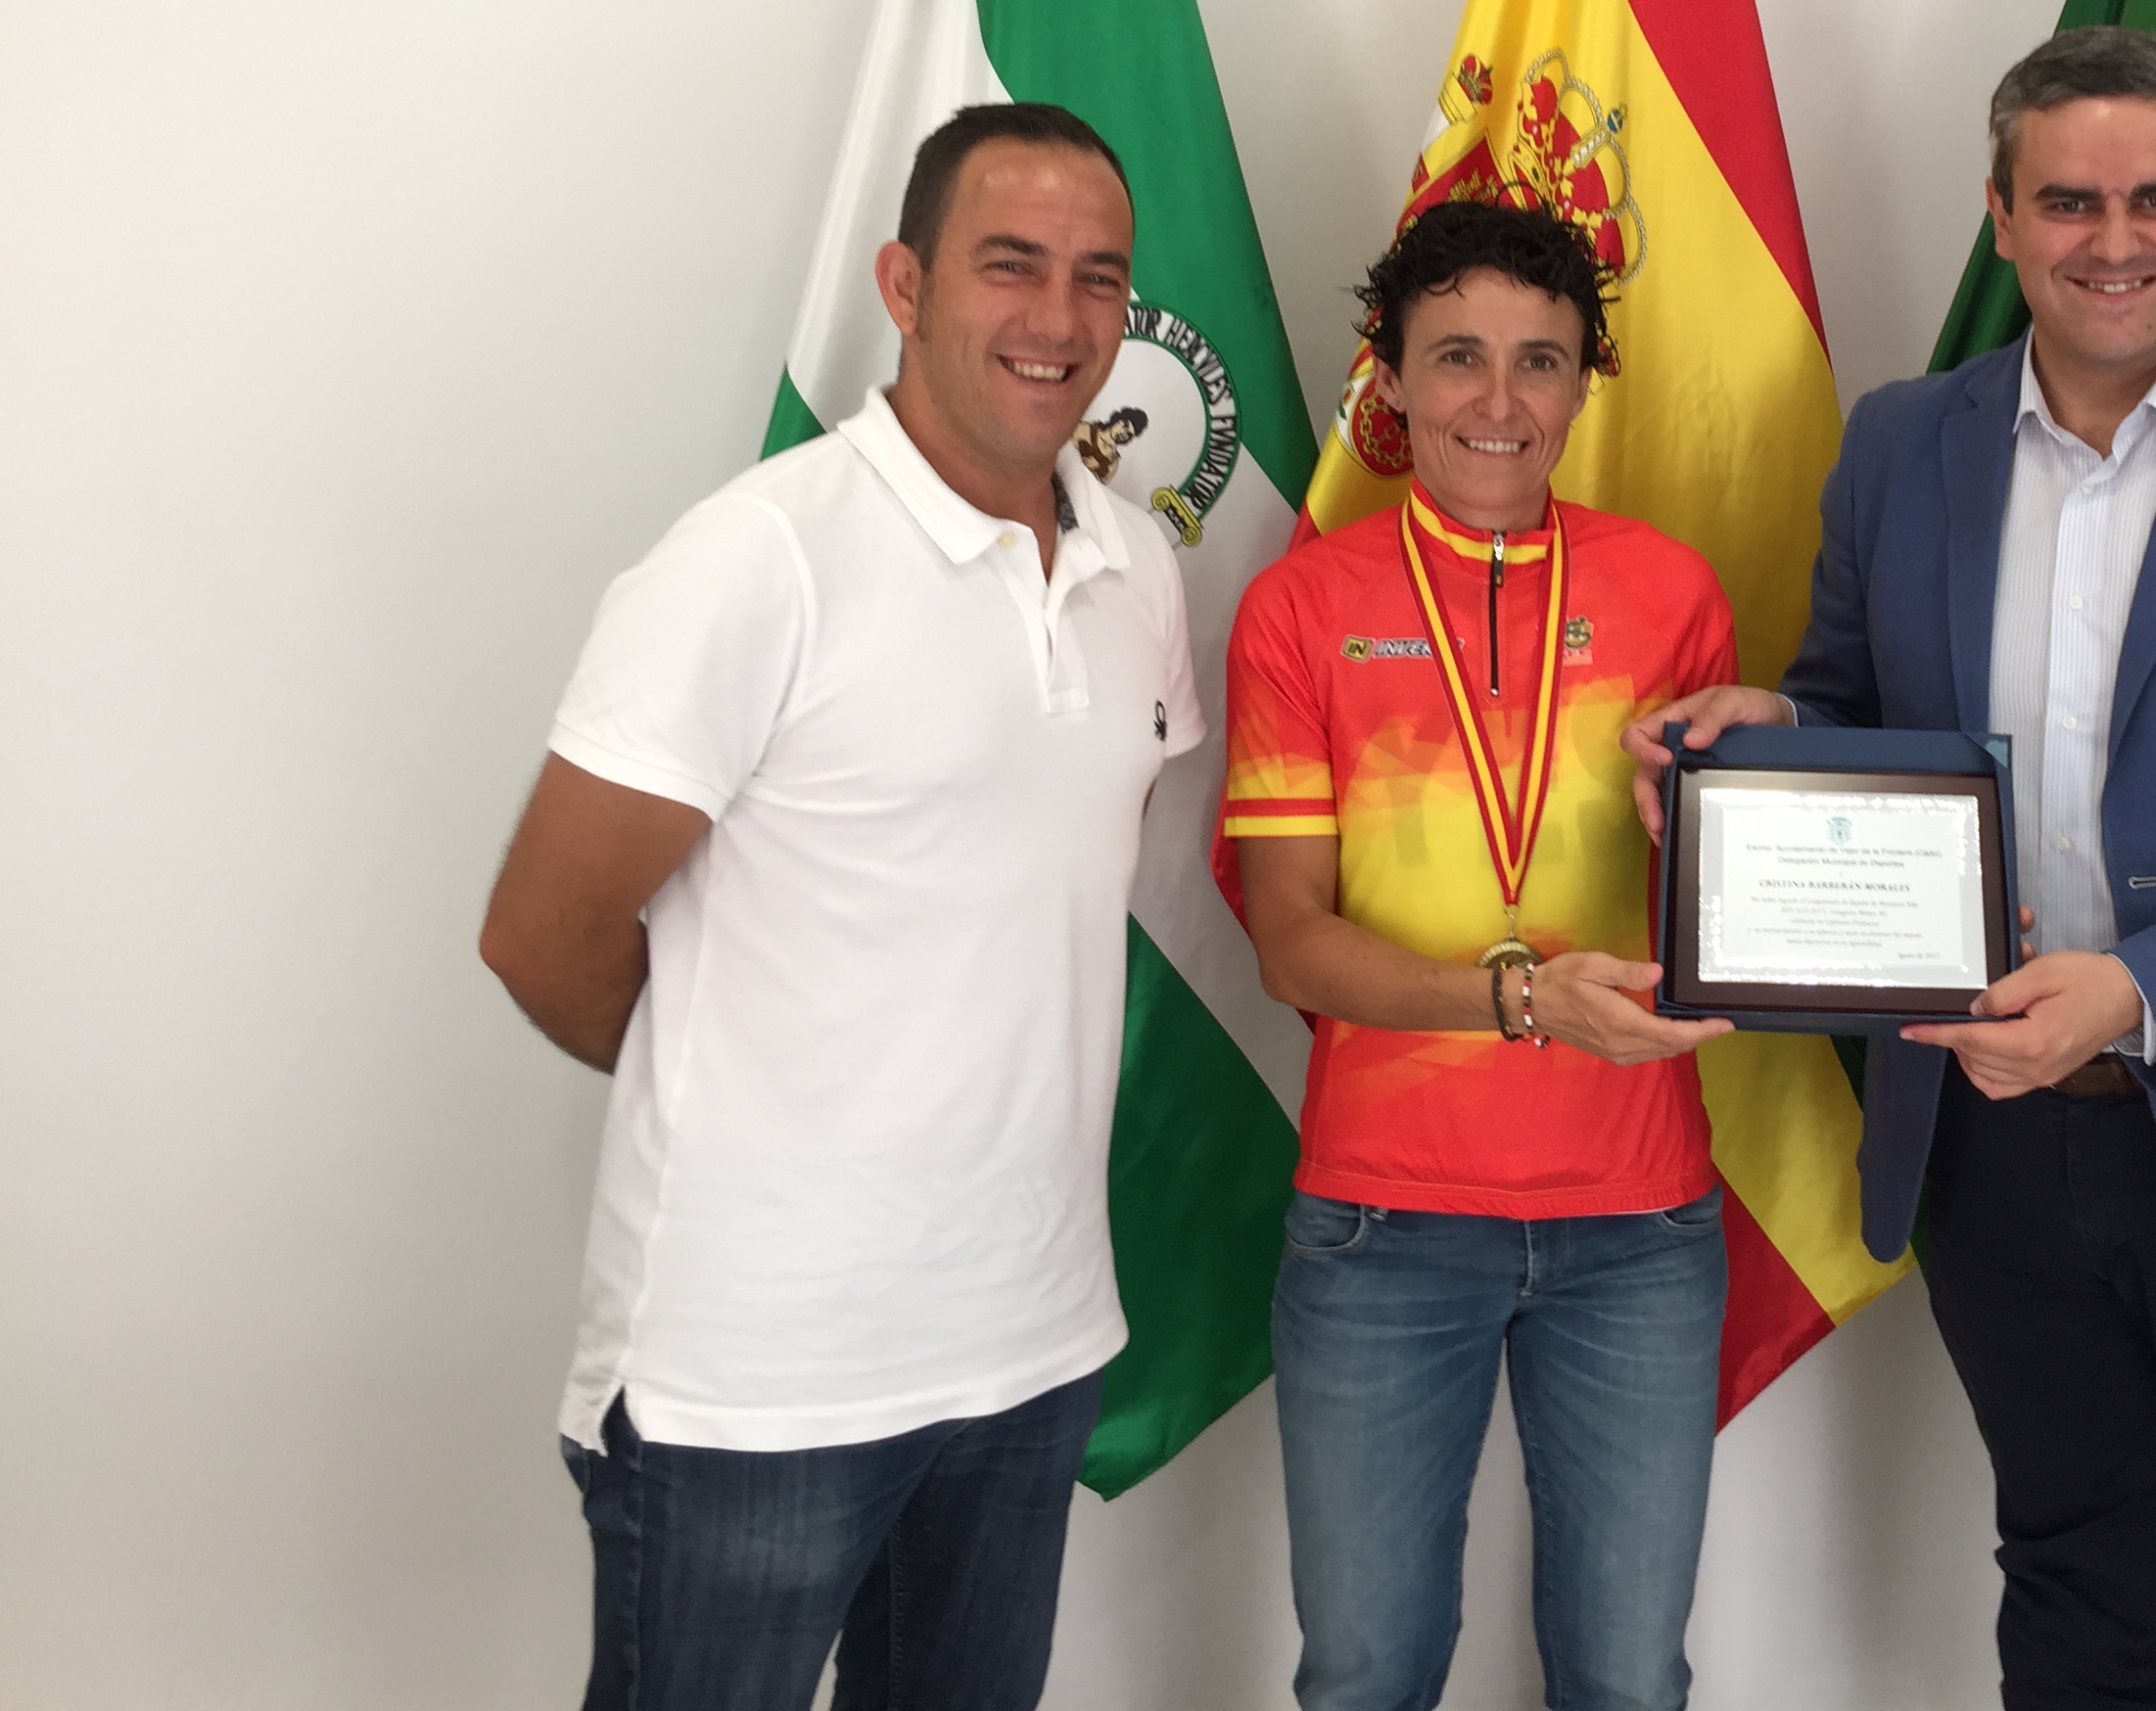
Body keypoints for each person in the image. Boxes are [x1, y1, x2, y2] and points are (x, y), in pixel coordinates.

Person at [1626, 27, 2156, 1711]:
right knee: (2074, 1602)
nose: (2117, 240)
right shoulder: (1904, 445)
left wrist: (2143, 993)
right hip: (1998, 1146)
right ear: (2003, 215)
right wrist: (1771, 732)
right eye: (2070, 201)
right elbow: (1862, 706)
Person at [477, 102, 1201, 1711]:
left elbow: (1063, 879)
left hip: (1030, 1342)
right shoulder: (759, 558)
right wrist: (754, 1089)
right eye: (1009, 264)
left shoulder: (1138, 568)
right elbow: (540, 936)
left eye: (1098, 277)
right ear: (904, 282)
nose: (1059, 315)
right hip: (759, 1375)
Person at [1221, 198, 1741, 1711]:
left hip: (1639, 1226)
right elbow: (1289, 945)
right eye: (1456, 356)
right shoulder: (1301, 608)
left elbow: (1729, 901)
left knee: (1628, 1679)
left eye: (1540, 360)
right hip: (1385, 1222)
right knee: (1367, 1675)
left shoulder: (1673, 590)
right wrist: (1518, 999)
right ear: (1388, 377)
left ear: (1585, 382)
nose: (1498, 400)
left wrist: (1798, 783)